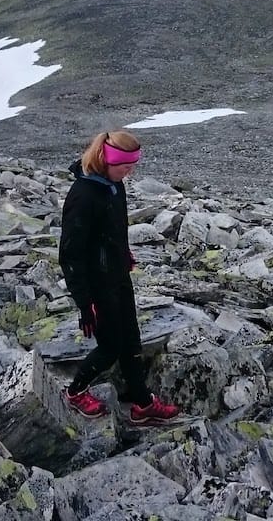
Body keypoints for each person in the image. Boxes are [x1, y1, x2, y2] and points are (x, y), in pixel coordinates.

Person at [58, 129, 181, 426]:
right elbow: (70, 255)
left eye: (133, 167)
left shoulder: (115, 186)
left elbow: (115, 228)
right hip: (97, 285)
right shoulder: (83, 196)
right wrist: (85, 304)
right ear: (106, 160)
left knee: (131, 342)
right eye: (125, 167)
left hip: (117, 276)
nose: (130, 172)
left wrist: (124, 254)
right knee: (110, 347)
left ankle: (141, 404)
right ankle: (74, 392)